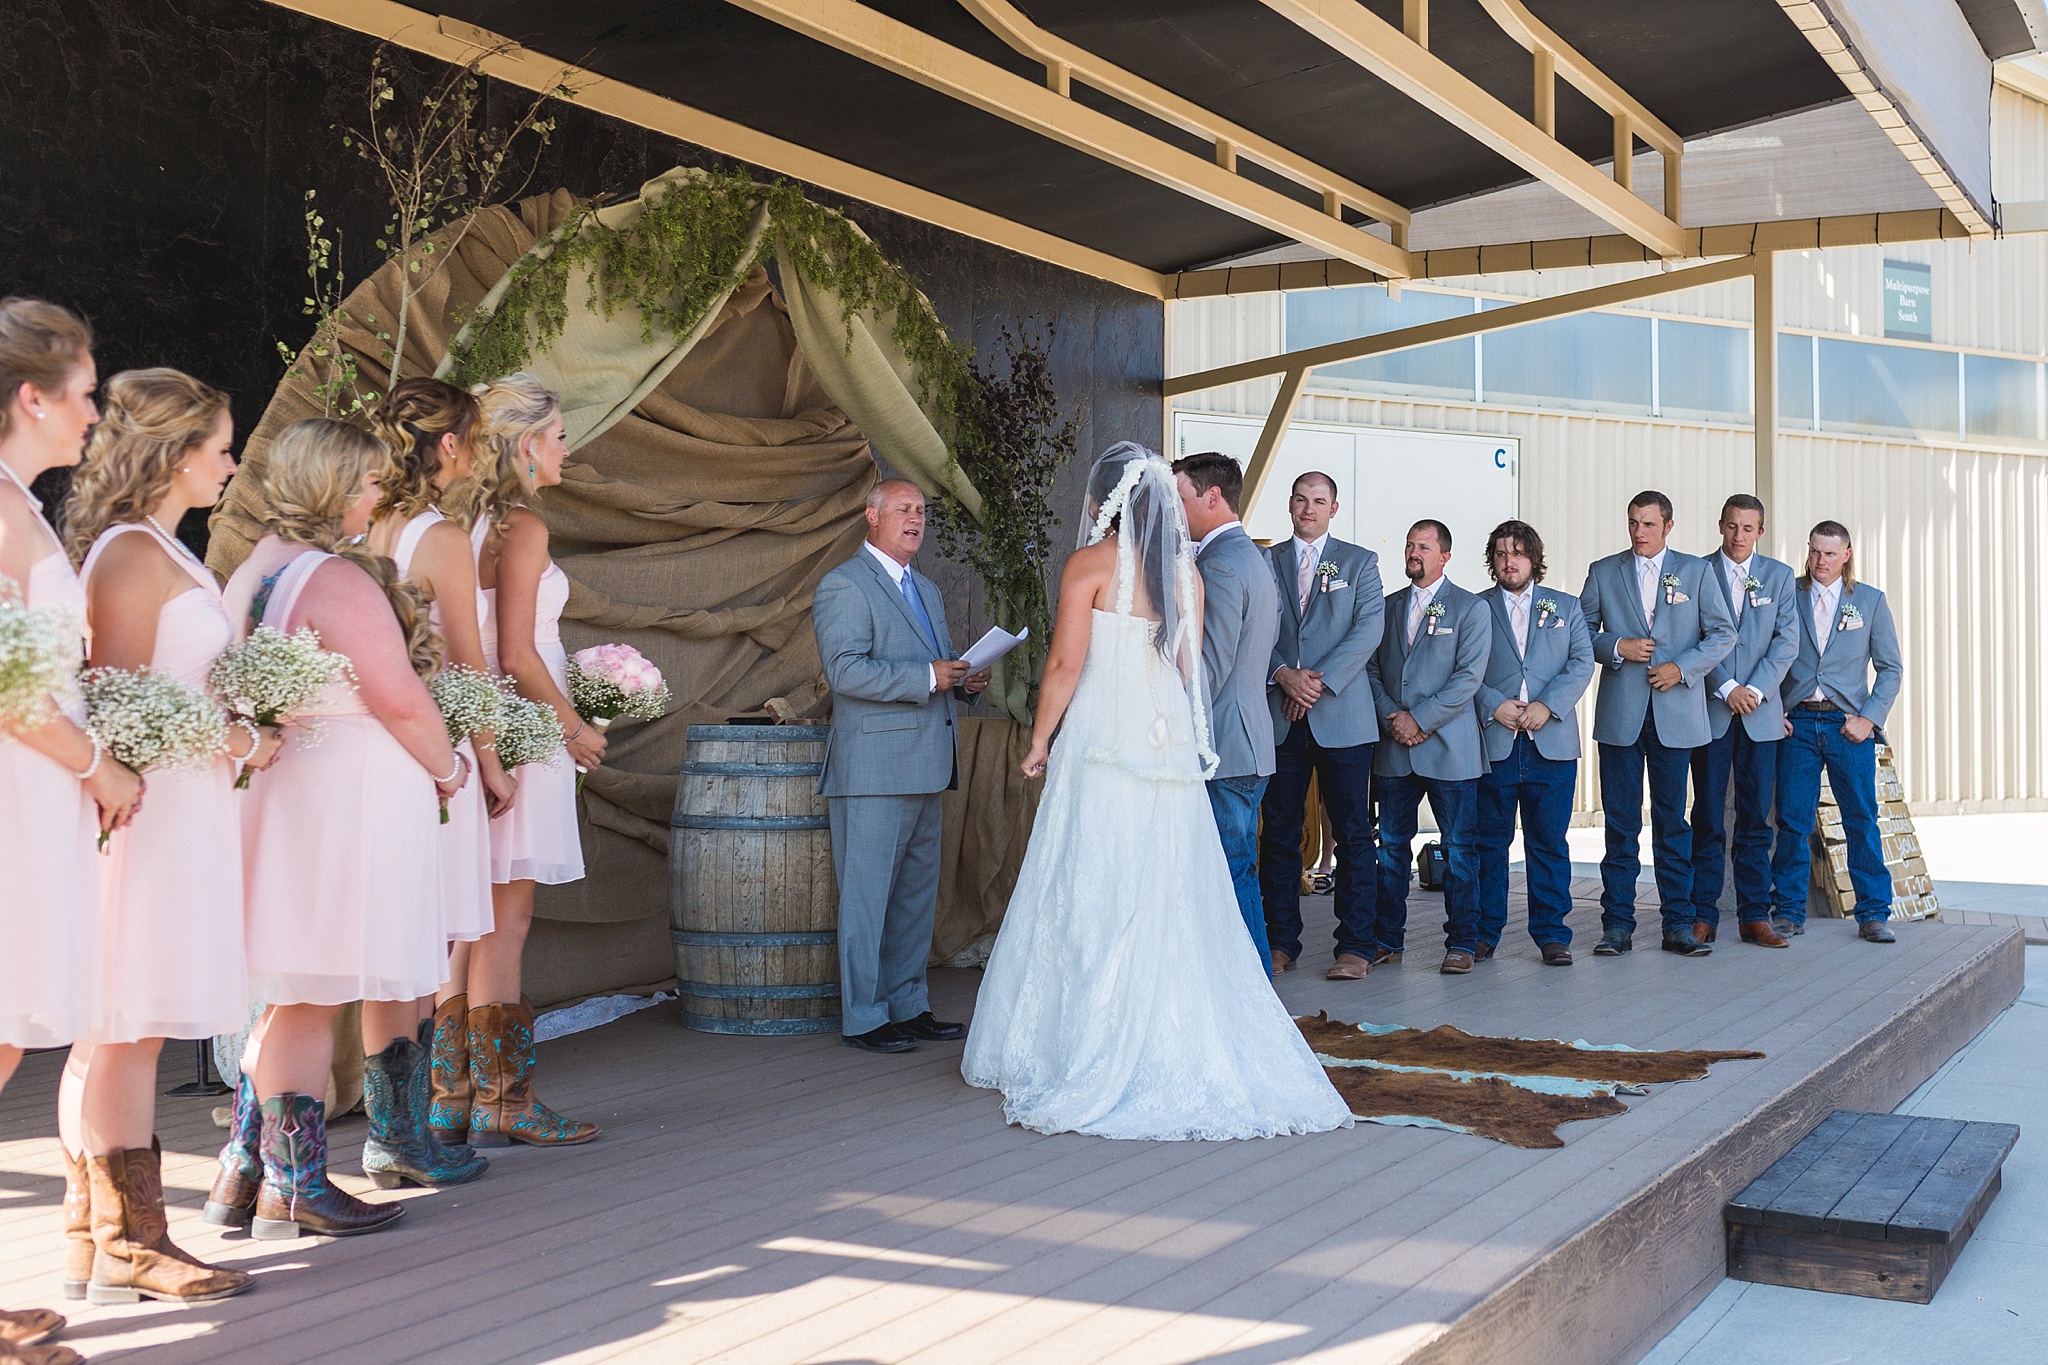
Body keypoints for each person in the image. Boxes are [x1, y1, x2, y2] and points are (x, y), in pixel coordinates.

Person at [962, 444, 1351, 1140]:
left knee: (1092, 873)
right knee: (1169, 882)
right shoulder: (1185, 576)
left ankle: (1084, 1037)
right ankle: (1172, 1022)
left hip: (1105, 739)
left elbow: (1064, 662)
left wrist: (1041, 738)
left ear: (1104, 502)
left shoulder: (1088, 566)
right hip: (1163, 738)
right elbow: (1186, 669)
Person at [206, 418, 468, 1239]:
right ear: (329, 485)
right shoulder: (334, 579)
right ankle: (296, 1186)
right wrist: (449, 767)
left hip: (288, 797)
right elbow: (397, 696)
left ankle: (246, 1172)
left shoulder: (255, 569)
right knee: (310, 998)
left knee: (289, 994)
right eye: (363, 483)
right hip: (341, 805)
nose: (374, 497)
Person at [60, 370, 279, 1306]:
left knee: (126, 1026)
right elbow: (111, 702)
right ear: (175, 453)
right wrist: (230, 736)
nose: (230, 466)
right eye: (222, 448)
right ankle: (129, 1239)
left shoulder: (163, 548)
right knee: (125, 1025)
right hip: (144, 821)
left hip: (187, 813)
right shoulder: (129, 556)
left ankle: (96, 1235)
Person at [0, 297, 138, 1365]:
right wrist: (102, 766)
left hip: (38, 798)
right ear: (32, 396)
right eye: (87, 394)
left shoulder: (23, 503)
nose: (98, 414)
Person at [441, 372, 602, 1147]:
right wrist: (572, 725)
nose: (568, 448)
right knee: (507, 920)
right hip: (524, 730)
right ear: (529, 443)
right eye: (561, 435)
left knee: (465, 922)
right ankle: (507, 1099)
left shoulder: (452, 524)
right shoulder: (522, 527)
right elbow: (517, 651)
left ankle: (449, 1098)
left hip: (474, 731)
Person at [359, 379, 500, 1182]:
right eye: (472, 436)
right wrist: (490, 758)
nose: (476, 452)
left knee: (384, 947)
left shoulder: (365, 522)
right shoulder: (439, 534)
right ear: (448, 445)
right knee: (426, 944)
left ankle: (397, 1132)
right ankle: (401, 1137)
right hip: (430, 749)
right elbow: (467, 662)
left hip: (364, 749)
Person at [812, 478, 988, 1054]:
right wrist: (926, 677)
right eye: (904, 509)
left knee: (914, 897)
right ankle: (864, 1016)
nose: (916, 518)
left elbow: (932, 671)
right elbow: (846, 673)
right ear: (872, 516)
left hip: (927, 763)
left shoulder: (928, 590)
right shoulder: (844, 585)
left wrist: (962, 682)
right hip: (872, 769)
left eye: (921, 511)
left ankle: (908, 1004)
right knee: (867, 898)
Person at [1577, 491, 1736, 958]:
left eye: (1647, 524)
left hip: (1677, 715)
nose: (1638, 533)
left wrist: (1682, 669)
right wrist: (1616, 647)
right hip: (1621, 716)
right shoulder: (1603, 571)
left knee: (1673, 824)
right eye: (1632, 523)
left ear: (1668, 526)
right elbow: (1579, 633)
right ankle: (1617, 927)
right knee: (1620, 826)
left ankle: (1678, 925)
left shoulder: (1697, 571)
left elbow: (1723, 633)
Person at [1257, 471, 1384, 980]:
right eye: (1301, 499)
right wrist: (1283, 674)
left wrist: (1313, 685)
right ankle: (1280, 941)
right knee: (1281, 834)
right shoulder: (1266, 562)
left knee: (1354, 834)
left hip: (1343, 718)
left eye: (1319, 501)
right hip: (1281, 717)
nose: (1309, 508)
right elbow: (1251, 625)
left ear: (1335, 508)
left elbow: (1368, 629)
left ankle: (1355, 945)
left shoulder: (1361, 563)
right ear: (1290, 504)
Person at [1767, 521, 1904, 942]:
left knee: (1861, 818)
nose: (1820, 562)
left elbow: (1891, 668)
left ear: (1846, 554)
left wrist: (1869, 717)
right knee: (1792, 820)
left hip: (1849, 726)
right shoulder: (1788, 592)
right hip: (1799, 723)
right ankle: (1788, 910)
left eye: (1829, 554)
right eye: (1814, 552)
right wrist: (1774, 710)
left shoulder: (1870, 601)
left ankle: (1873, 914)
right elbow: (1763, 652)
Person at [1367, 520, 1491, 974]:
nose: (1413, 552)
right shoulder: (1387, 607)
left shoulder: (1471, 609)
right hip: (1396, 747)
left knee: (1460, 848)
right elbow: (1373, 671)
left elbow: (1468, 679)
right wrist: (1393, 717)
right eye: (1408, 545)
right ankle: (1386, 939)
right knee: (1392, 848)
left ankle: (1461, 942)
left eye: (1423, 546)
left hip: (1450, 749)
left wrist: (1419, 719)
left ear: (1445, 556)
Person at [1173, 451, 1280, 969]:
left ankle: (1252, 990)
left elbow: (1206, 670)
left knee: (1229, 870)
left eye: (1182, 497)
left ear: (1212, 497)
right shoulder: (1252, 557)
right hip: (1250, 738)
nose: (1176, 509)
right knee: (1238, 868)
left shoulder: (1215, 564)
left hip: (1224, 745)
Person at [1472, 520, 1593, 966]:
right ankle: (1484, 932)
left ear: (1533, 559)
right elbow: (1463, 667)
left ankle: (1552, 934)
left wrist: (1548, 705)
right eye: (1501, 553)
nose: (1509, 561)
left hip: (1551, 742)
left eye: (1518, 553)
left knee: (1549, 843)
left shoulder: (1566, 606)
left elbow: (1582, 662)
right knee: (1490, 843)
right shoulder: (1475, 608)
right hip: (1496, 741)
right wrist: (1492, 704)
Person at [1689, 495, 1799, 948]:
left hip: (1761, 713)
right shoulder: (1696, 572)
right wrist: (1725, 686)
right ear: (1720, 526)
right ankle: (1702, 914)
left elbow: (1786, 641)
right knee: (1708, 817)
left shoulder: (1779, 576)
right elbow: (1689, 637)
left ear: (1761, 531)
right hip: (1711, 711)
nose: (1738, 536)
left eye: (1747, 528)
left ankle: (1755, 916)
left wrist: (1752, 690)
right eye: (1731, 526)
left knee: (1756, 820)